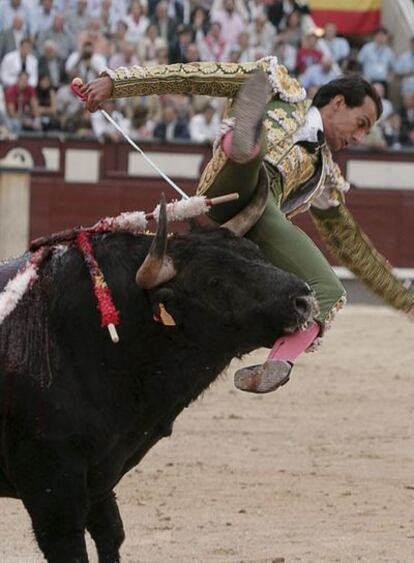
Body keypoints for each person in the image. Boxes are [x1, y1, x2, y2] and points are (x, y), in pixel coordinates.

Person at [80, 57, 414, 393]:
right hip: (228, 188)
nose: (359, 137)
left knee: (330, 292)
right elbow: (192, 77)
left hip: (256, 219)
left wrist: (405, 299)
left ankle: (276, 364)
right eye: (360, 123)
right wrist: (116, 84)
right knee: (253, 157)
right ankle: (245, 139)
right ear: (338, 103)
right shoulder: (282, 90)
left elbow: (353, 248)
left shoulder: (325, 176)